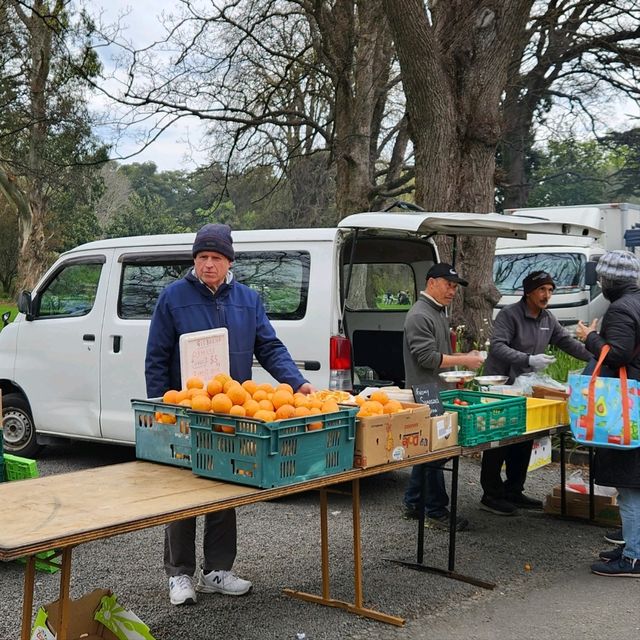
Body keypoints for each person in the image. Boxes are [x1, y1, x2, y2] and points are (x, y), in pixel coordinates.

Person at [145, 223, 313, 605]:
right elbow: (156, 357)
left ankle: (218, 570)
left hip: (233, 411)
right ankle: (180, 574)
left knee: (225, 488)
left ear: (228, 261)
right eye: (202, 257)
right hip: (186, 412)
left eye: (216, 258)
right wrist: (161, 405)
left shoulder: (247, 300)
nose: (208, 264)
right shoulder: (172, 298)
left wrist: (297, 382)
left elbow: (269, 346)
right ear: (194, 260)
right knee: (183, 493)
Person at [480, 270, 592, 515]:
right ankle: (491, 494)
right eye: (542, 290)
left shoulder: (547, 319)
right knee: (499, 437)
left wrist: (598, 356)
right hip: (503, 387)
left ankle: (514, 489)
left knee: (524, 436)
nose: (547, 295)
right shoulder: (510, 315)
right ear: (528, 292)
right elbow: (497, 346)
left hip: (528, 388)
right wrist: (528, 358)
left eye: (550, 290)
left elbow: (567, 342)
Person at [402, 263, 485, 530]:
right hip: (426, 393)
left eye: (455, 287)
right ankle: (435, 510)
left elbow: (439, 355)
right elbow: (426, 358)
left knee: (430, 450)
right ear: (431, 283)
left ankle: (414, 501)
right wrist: (464, 360)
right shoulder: (419, 315)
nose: (452, 291)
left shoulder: (438, 311)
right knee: (436, 452)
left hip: (440, 390)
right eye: (449, 285)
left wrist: (456, 375)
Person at [575, 250, 640, 577]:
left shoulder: (620, 309)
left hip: (628, 408)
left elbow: (617, 355)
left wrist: (590, 337)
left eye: (602, 279)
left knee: (630, 485)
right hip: (638, 401)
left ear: (611, 282)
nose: (601, 283)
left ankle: (633, 558)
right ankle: (633, 544)